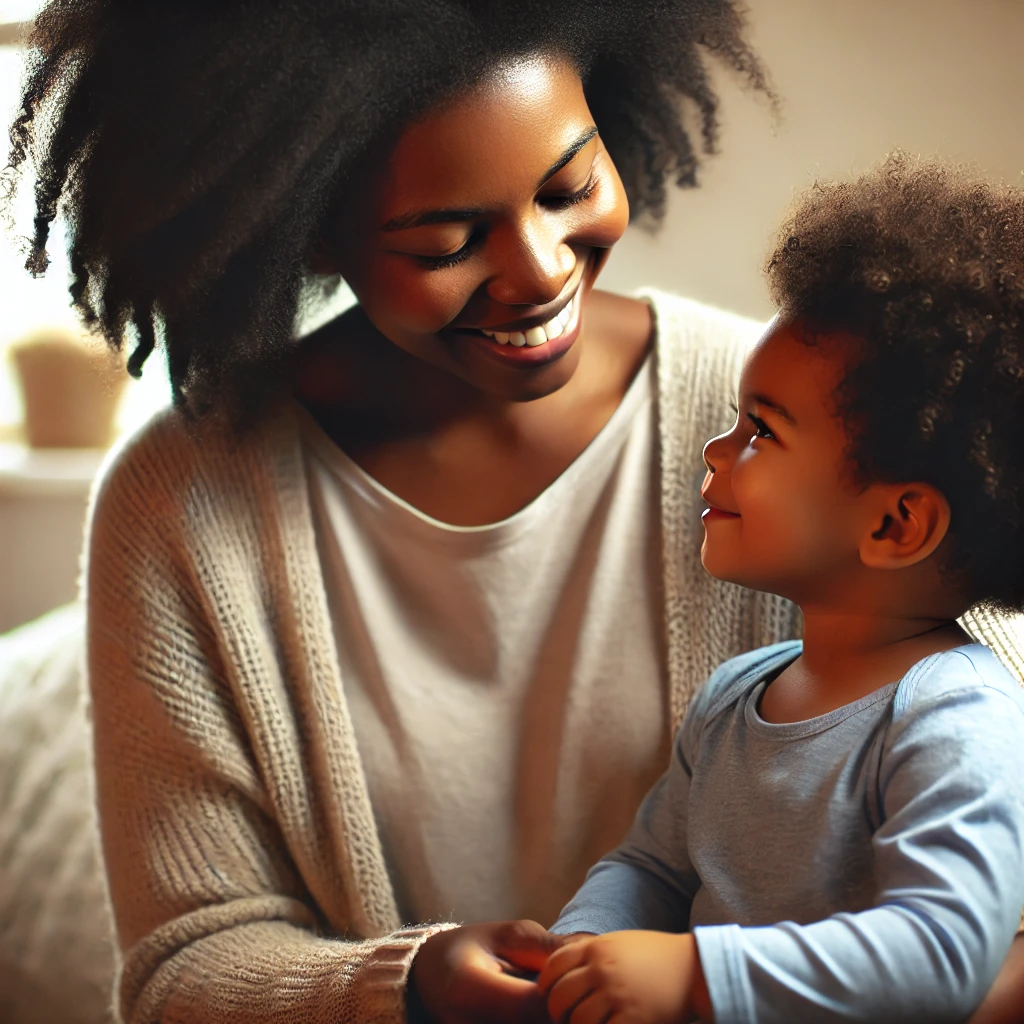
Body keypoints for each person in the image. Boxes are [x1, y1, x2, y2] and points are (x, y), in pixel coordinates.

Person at [6, 3, 1022, 1022]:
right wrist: (411, 986)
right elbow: (182, 972)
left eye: (569, 186)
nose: (540, 271)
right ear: (302, 226)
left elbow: (988, 927)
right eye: (447, 238)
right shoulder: (178, 502)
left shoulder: (851, 429)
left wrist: (707, 983)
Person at [541, 153, 1024, 1023]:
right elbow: (650, 868)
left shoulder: (958, 715)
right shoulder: (736, 695)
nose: (716, 451)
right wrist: (576, 954)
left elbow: (944, 950)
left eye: (760, 430)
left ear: (894, 526)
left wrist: (692, 979)